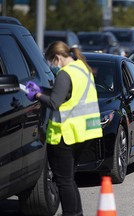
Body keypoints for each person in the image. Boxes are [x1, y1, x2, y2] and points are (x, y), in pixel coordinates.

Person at [25, 41, 103, 216]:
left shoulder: (65, 73)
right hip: (84, 133)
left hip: (65, 135)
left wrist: (36, 95)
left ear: (57, 57)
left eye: (52, 62)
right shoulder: (82, 69)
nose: (53, 65)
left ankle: (71, 213)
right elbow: (65, 94)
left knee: (63, 181)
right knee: (69, 179)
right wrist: (43, 89)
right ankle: (76, 213)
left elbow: (55, 102)